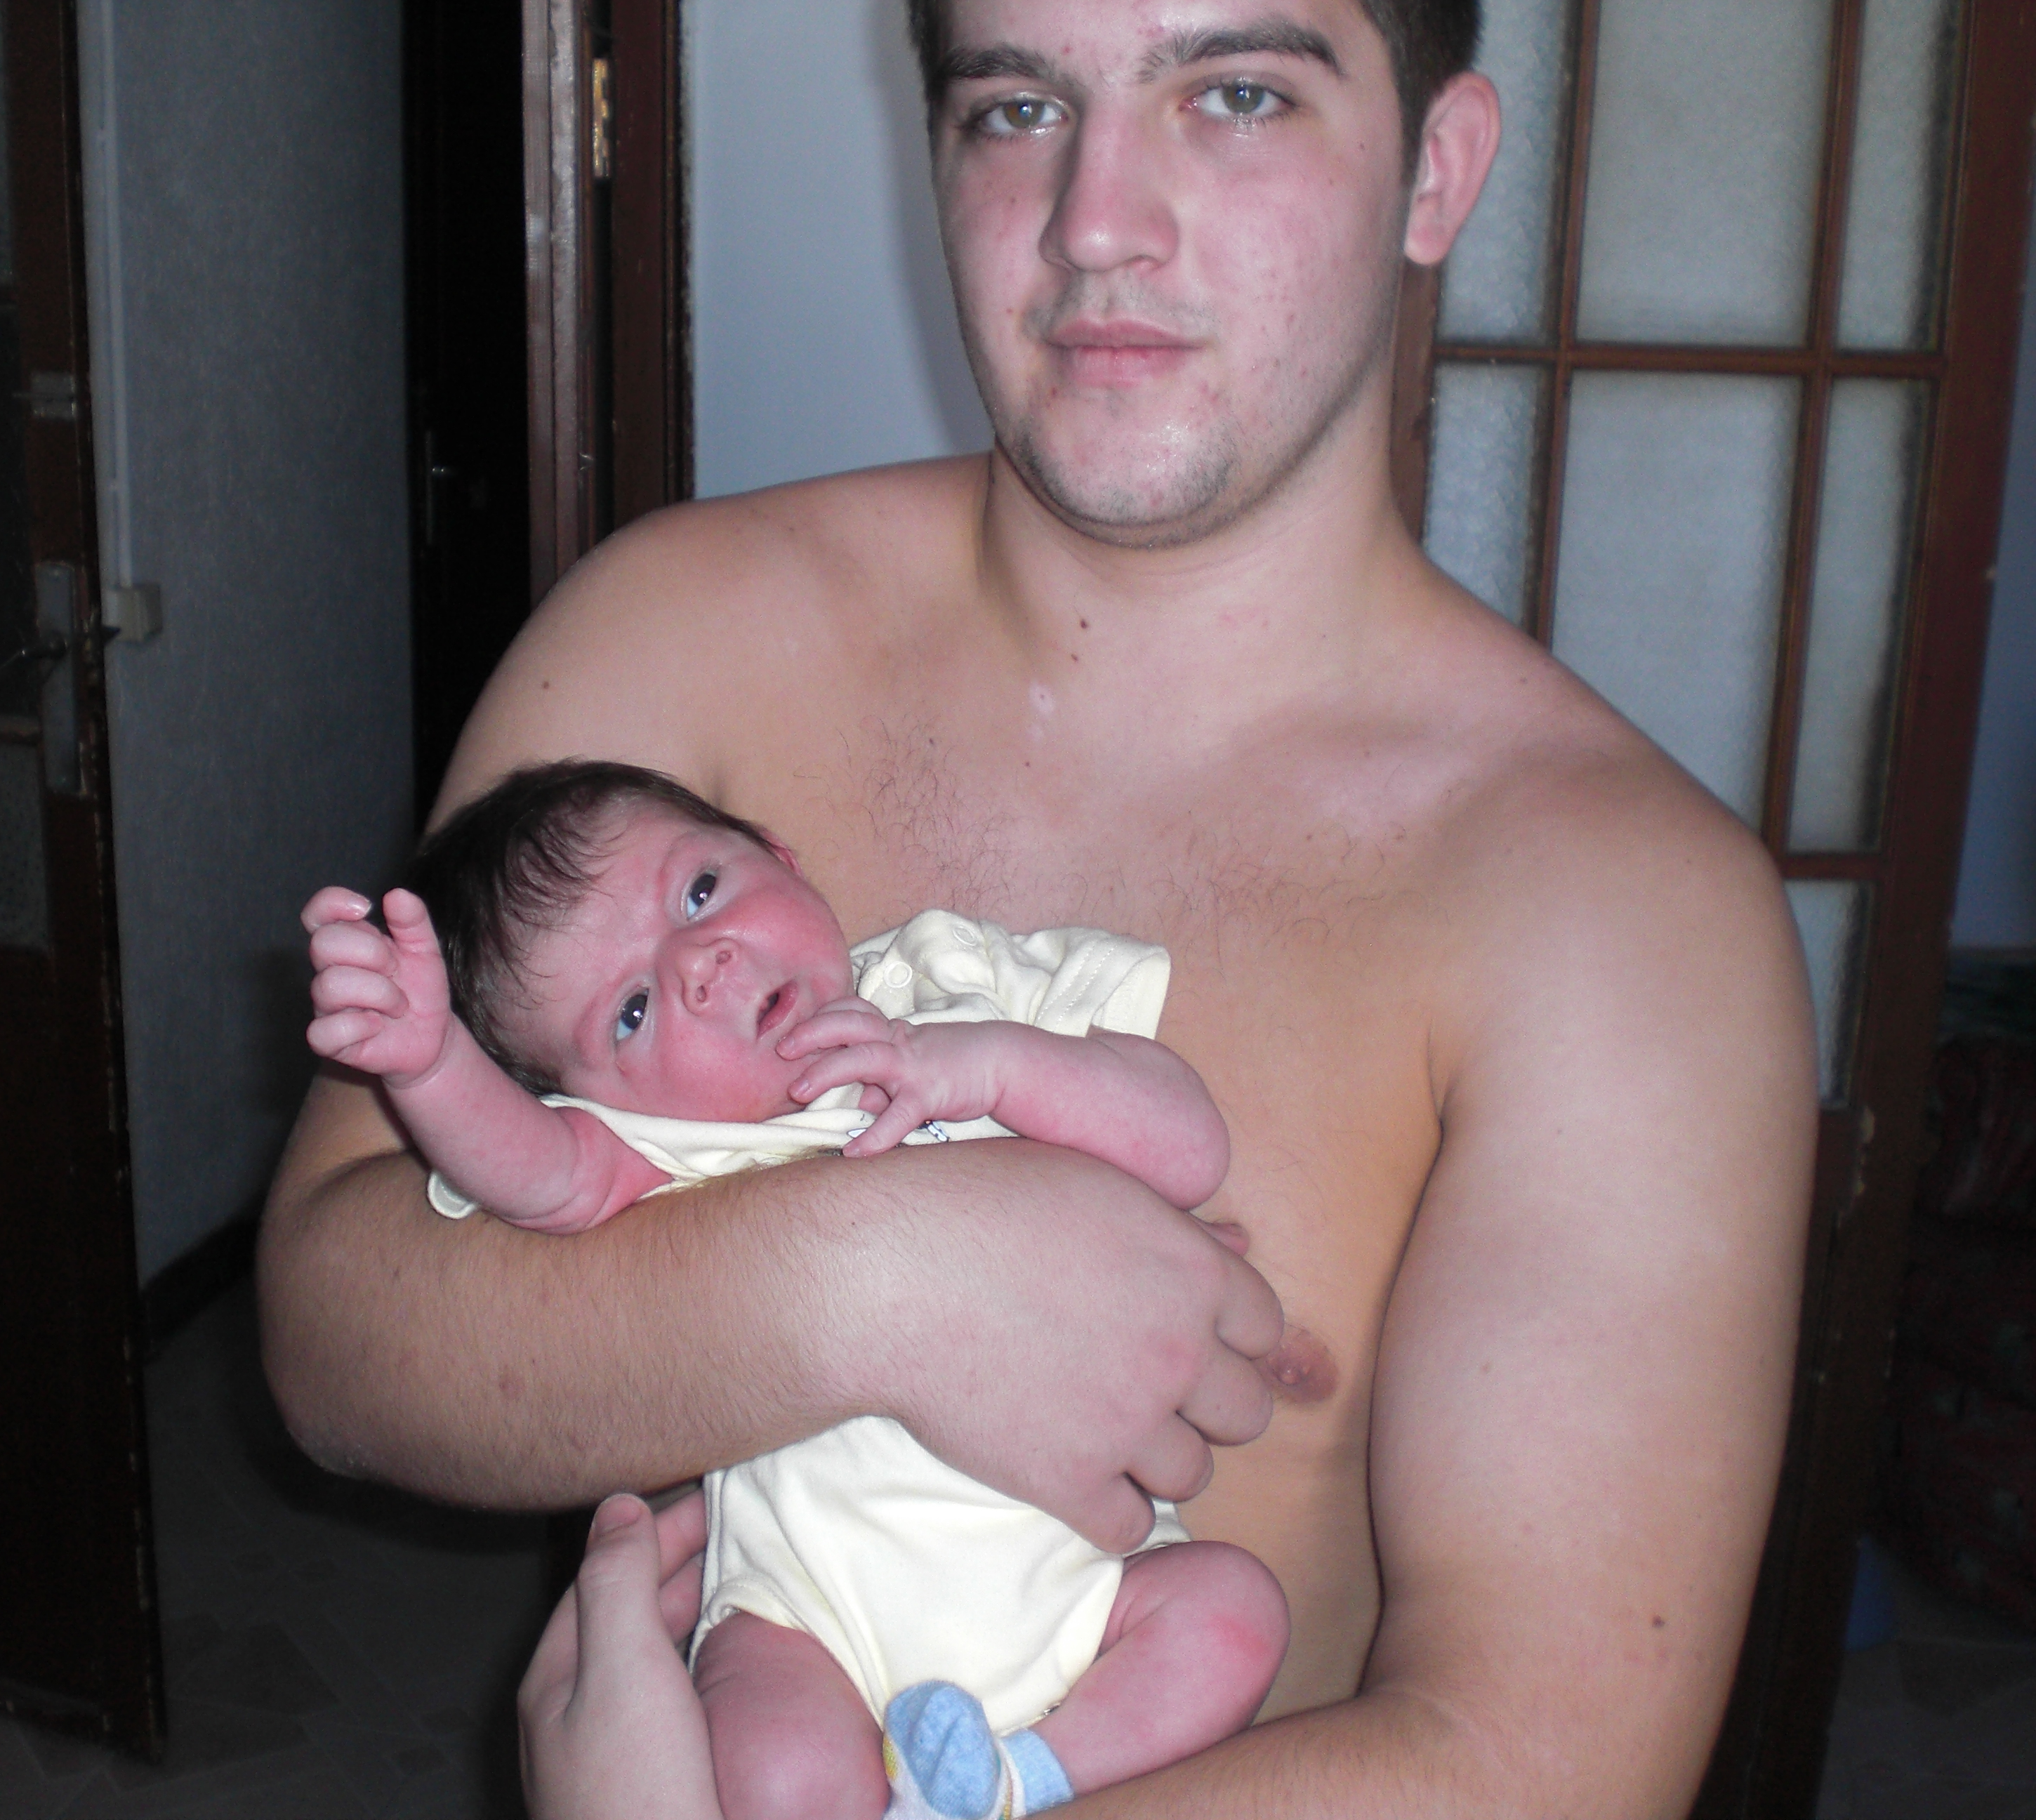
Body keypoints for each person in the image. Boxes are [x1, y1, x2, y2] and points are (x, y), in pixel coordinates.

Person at [260, 0, 1820, 1812]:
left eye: (1237, 94)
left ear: (1437, 169)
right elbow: (332, 1333)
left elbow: (1532, 1765)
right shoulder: (666, 636)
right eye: (1014, 107)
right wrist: (880, 1282)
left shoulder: (1626, 919)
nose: (1096, 222)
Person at [302, 759, 1287, 1818]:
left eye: (699, 892)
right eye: (630, 1013)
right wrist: (430, 1065)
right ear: (591, 1100)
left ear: (779, 854)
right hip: (814, 1616)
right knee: (771, 1769)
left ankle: (1020, 1780)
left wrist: (987, 1065)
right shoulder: (680, 1149)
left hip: (1078, 1580)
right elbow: (542, 1175)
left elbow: (1188, 1147)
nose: (700, 965)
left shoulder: (961, 986)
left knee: (1235, 1615)